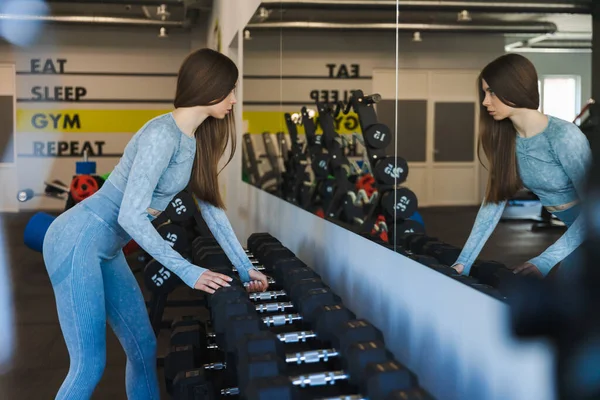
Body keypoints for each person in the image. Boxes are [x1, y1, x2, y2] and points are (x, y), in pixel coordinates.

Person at [41, 48, 269, 400]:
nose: (234, 100)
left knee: (145, 347)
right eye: (230, 89)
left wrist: (244, 268)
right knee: (89, 364)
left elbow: (211, 209)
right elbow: (129, 215)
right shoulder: (162, 135)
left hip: (108, 247)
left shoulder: (193, 140)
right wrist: (188, 270)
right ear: (208, 87)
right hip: (77, 239)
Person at [452, 53, 593, 279]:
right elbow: (493, 203)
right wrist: (463, 262)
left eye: (492, 92)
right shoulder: (507, 141)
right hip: (577, 232)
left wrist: (545, 259)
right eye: (484, 92)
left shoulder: (563, 136)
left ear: (515, 88)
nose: (485, 101)